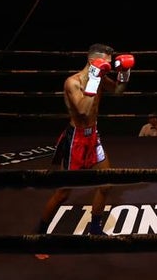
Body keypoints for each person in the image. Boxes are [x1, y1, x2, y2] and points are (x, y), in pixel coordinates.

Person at [35, 43, 133, 259]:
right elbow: (83, 110)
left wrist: (125, 73)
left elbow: (118, 91)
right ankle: (39, 238)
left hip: (93, 136)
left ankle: (95, 229)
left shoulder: (100, 78)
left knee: (106, 184)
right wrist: (96, 79)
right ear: (93, 61)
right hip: (76, 140)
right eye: (106, 62)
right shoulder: (73, 82)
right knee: (63, 193)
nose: (109, 66)